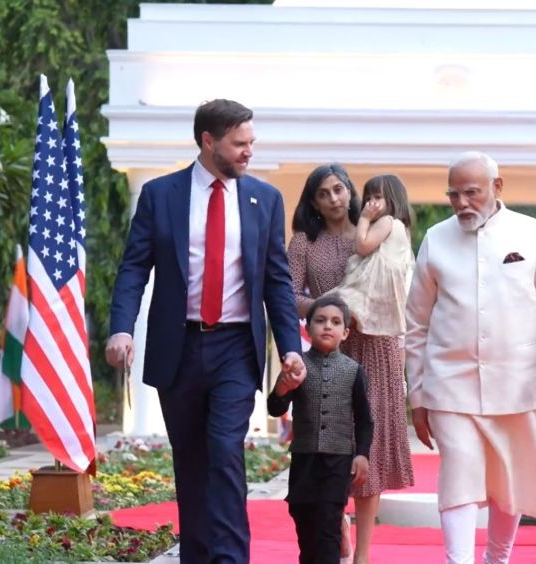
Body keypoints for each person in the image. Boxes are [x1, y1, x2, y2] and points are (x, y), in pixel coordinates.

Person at [105, 99, 305, 564]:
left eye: (251, 142)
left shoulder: (264, 199)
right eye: (239, 143)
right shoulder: (160, 195)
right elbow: (134, 268)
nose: (249, 151)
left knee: (225, 451)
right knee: (191, 461)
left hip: (236, 347)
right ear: (208, 141)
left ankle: (231, 558)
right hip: (178, 347)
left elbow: (276, 280)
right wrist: (122, 329)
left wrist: (290, 347)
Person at [406, 151, 536, 564]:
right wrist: (418, 394)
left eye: (471, 192)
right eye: (454, 195)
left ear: (497, 187)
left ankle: (497, 559)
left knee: (510, 479)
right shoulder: (436, 238)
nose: (462, 203)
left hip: (519, 384)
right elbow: (415, 324)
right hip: (450, 383)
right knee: (459, 472)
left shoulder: (533, 233)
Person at [288, 164, 414, 564]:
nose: (333, 199)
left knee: (368, 446)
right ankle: (334, 519)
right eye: (323, 193)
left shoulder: (376, 228)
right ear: (313, 202)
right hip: (329, 353)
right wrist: (328, 312)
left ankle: (362, 555)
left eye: (339, 189)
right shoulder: (304, 242)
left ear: (350, 191)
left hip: (377, 347)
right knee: (329, 441)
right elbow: (288, 294)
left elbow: (396, 282)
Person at [267, 295, 374, 564]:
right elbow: (275, 408)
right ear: (307, 327)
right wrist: (282, 387)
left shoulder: (354, 371)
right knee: (304, 523)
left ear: (345, 332)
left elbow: (364, 419)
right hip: (304, 460)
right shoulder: (297, 367)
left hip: (337, 462)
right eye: (321, 320)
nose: (328, 326)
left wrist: (362, 454)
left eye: (336, 322)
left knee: (328, 526)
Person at [326, 174, 415, 337]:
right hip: (381, 296)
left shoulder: (387, 221)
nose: (370, 202)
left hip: (368, 287)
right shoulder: (402, 227)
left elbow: (361, 247)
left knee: (327, 306)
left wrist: (364, 218)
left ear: (392, 199)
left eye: (377, 197)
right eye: (368, 198)